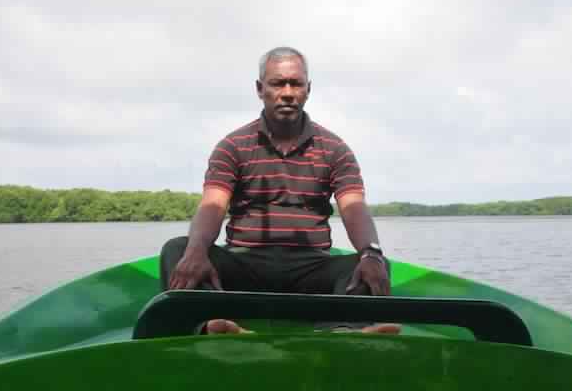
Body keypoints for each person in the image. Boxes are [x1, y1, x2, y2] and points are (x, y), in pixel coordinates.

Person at [160, 46, 400, 335]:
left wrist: (370, 253)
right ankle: (210, 326)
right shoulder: (233, 146)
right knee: (177, 249)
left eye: (296, 83)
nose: (287, 92)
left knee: (374, 263)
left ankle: (342, 328)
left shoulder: (335, 149)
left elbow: (354, 207)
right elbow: (212, 205)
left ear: (308, 89)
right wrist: (196, 251)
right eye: (277, 83)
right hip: (245, 264)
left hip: (311, 269)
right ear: (260, 89)